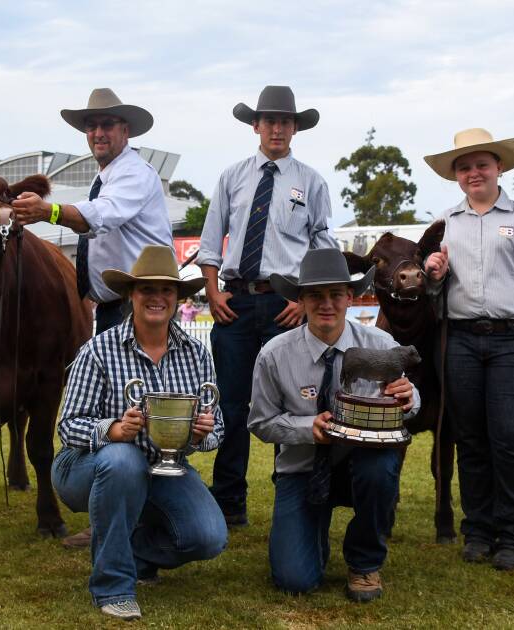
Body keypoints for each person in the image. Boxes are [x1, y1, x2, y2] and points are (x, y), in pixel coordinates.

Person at [52, 245, 227, 620]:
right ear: (130, 295)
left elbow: (218, 429)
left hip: (163, 465)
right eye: (146, 289)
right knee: (123, 459)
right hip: (83, 467)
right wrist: (113, 429)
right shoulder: (97, 351)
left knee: (208, 536)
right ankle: (112, 586)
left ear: (178, 299)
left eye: (166, 290)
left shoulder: (196, 354)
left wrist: (199, 434)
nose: (156, 298)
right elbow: (68, 426)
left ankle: (131, 552)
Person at [197, 86, 337, 527]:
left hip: (286, 303)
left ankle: (291, 500)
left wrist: (304, 299)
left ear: (295, 128)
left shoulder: (311, 181)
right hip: (236, 301)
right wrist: (213, 290)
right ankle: (228, 502)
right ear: (255, 126)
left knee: (294, 403)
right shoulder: (232, 177)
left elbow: (323, 246)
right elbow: (210, 239)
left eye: (286, 121)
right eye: (269, 120)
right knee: (232, 404)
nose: (277, 128)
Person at [421, 128, 514, 571]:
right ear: (456, 176)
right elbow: (433, 292)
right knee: (472, 440)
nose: (473, 173)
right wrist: (434, 274)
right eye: (465, 167)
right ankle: (478, 529)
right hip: (460, 339)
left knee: (511, 439)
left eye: (482, 164)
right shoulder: (446, 223)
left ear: (499, 167)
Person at [249, 248, 417, 602]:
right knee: (295, 580)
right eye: (315, 295)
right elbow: (260, 422)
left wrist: (409, 396)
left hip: (363, 459)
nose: (326, 304)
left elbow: (408, 404)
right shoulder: (274, 354)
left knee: (381, 468)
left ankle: (365, 562)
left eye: (336, 294)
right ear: (301, 300)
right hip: (302, 466)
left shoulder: (382, 345)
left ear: (351, 298)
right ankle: (313, 533)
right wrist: (305, 427)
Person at [12, 88, 172, 334]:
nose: (98, 134)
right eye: (91, 126)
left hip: (138, 308)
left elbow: (100, 214)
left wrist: (50, 212)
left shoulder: (135, 172)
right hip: (121, 308)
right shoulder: (109, 176)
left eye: (107, 125)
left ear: (125, 131)